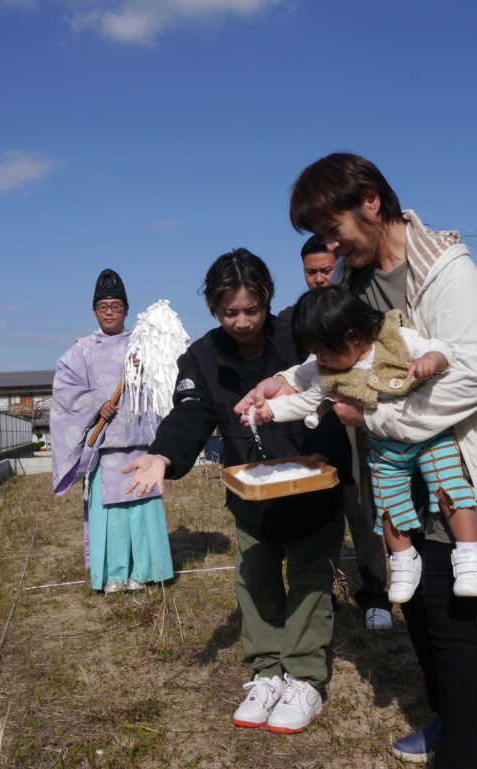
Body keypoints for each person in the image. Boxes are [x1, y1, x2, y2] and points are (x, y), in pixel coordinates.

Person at [237, 154, 477, 768]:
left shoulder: (447, 274)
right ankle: (445, 720)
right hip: (395, 467)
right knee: (415, 601)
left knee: (452, 616)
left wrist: (372, 419)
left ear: (371, 200)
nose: (329, 245)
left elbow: (470, 379)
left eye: (332, 228)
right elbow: (339, 356)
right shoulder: (356, 276)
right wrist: (283, 384)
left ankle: (463, 754)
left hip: (458, 460)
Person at [123, 249, 352, 734]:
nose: (243, 322)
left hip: (311, 478)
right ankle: (266, 670)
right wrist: (163, 455)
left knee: (310, 578)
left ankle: (304, 677)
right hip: (252, 491)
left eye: (253, 310)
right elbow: (190, 413)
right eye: (230, 312)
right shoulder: (202, 357)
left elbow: (340, 378)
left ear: (268, 300)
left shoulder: (301, 337)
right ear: (213, 307)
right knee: (255, 577)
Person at [248, 285, 477, 603]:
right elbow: (306, 402)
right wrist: (270, 411)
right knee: (388, 505)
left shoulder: (395, 339)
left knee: (449, 486)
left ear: (352, 336)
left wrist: (432, 360)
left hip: (430, 435)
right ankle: (403, 560)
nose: (319, 360)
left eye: (323, 352)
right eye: (315, 354)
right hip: (385, 447)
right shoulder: (330, 372)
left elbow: (443, 349)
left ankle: (470, 554)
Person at [278, 237, 394, 630]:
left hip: (358, 434)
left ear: (340, 267)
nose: (318, 278)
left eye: (326, 270)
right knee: (316, 521)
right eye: (310, 272)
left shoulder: (359, 315)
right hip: (313, 437)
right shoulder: (292, 319)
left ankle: (375, 596)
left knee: (364, 516)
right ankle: (320, 595)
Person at [51, 269, 174, 593]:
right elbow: (64, 388)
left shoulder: (142, 346)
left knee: (142, 510)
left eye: (116, 306)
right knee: (113, 518)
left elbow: (164, 378)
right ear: (94, 311)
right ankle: (113, 576)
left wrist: (148, 366)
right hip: (105, 448)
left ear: (126, 310)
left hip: (141, 444)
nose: (109, 312)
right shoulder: (82, 350)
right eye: (103, 306)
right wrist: (97, 404)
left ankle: (145, 572)